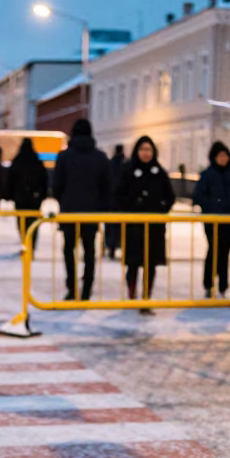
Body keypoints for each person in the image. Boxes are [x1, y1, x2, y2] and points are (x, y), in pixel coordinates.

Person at [52, 117, 110, 300]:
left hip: (69, 211)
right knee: (89, 250)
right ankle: (87, 289)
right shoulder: (100, 158)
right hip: (91, 213)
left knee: (69, 249)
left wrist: (63, 201)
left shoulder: (64, 157)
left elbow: (56, 186)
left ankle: (72, 287)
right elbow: (107, 187)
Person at [115, 136, 175, 313]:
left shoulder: (159, 172)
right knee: (133, 263)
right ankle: (132, 296)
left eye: (149, 149)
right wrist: (130, 208)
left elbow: (169, 197)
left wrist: (161, 209)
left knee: (150, 264)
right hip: (134, 226)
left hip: (154, 227)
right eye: (142, 149)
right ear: (136, 151)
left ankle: (146, 298)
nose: (145, 153)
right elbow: (117, 194)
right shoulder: (127, 170)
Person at [193, 141, 230, 297]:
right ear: (214, 157)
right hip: (212, 220)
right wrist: (212, 207)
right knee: (213, 250)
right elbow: (199, 196)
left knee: (225, 253)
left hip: (228, 221)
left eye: (225, 155)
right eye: (220, 156)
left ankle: (223, 285)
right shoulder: (208, 175)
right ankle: (209, 283)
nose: (223, 159)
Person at [6, 136, 48, 254]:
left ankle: (24, 244)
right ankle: (32, 245)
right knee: (34, 223)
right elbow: (44, 180)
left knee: (22, 223)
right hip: (35, 199)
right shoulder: (37, 161)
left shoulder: (17, 161)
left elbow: (10, 180)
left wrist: (10, 195)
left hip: (20, 198)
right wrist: (42, 195)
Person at [104, 145, 126, 258]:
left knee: (110, 227)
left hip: (110, 201)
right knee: (121, 227)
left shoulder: (110, 163)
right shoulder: (126, 165)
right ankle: (121, 248)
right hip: (122, 202)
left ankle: (110, 248)